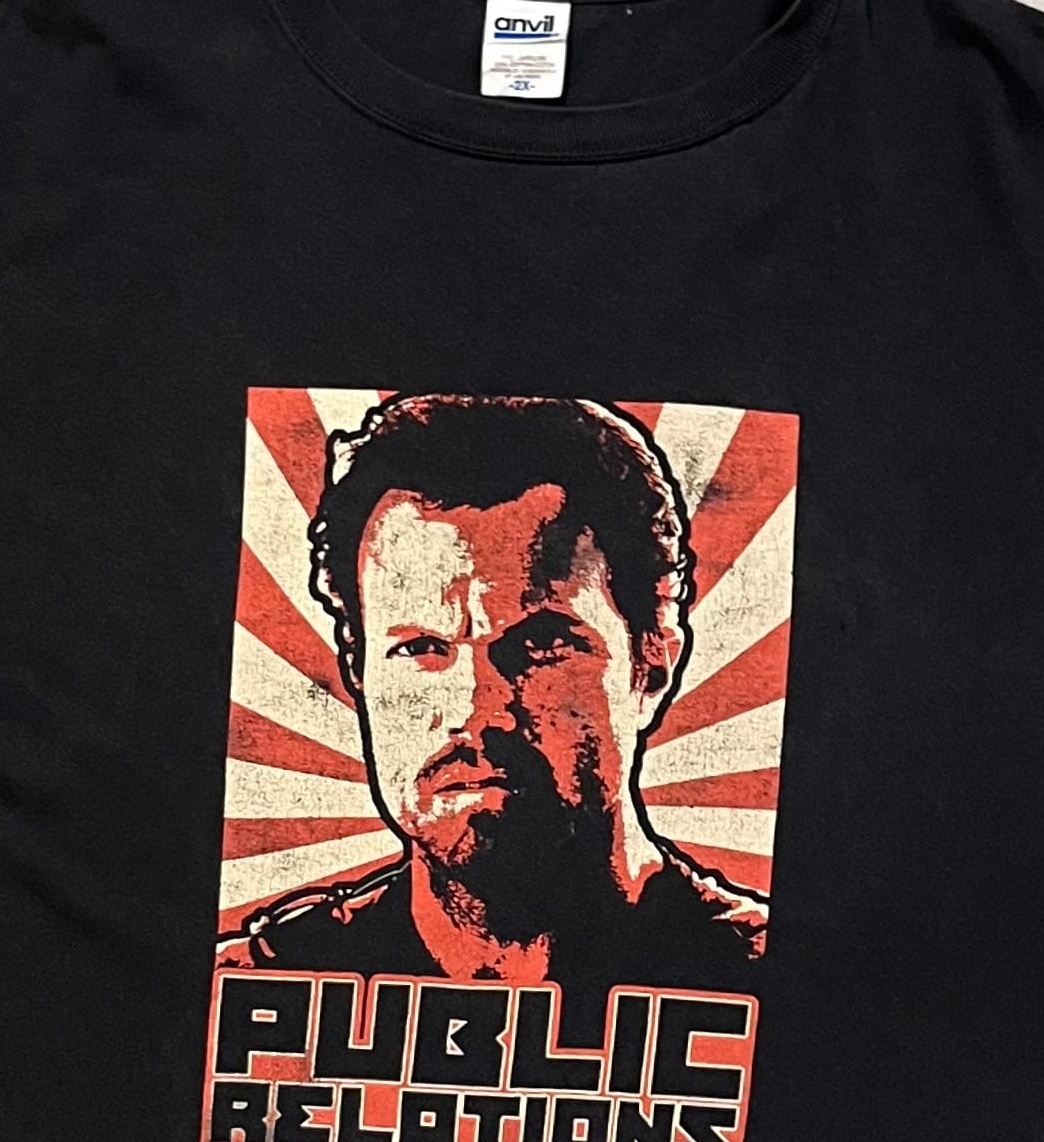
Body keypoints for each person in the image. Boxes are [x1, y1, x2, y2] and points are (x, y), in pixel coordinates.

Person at [220, 392, 766, 1025]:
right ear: (358, 668)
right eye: (420, 648)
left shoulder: (766, 981)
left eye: (539, 647)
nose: (477, 709)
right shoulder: (259, 990)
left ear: (652, 663)